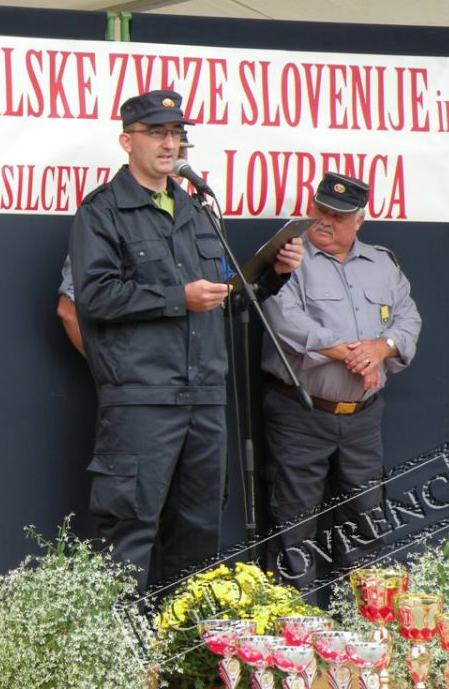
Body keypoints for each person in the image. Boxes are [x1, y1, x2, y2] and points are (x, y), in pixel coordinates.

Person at [69, 89, 302, 590]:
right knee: (129, 533)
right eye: (157, 133)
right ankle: (125, 662)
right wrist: (179, 297)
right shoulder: (103, 210)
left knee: (198, 533)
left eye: (176, 134)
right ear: (126, 140)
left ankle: (182, 658)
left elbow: (226, 299)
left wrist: (272, 276)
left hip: (205, 400)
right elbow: (96, 297)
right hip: (142, 399)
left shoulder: (197, 210)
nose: (169, 143)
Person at [260, 171, 421, 589]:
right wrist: (355, 353)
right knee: (294, 527)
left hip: (363, 417)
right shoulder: (289, 259)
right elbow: (282, 319)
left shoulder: (383, 263)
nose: (324, 221)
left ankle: (359, 628)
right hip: (301, 412)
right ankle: (298, 634)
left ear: (360, 219)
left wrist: (381, 348)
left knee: (367, 520)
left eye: (338, 215)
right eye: (320, 210)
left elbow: (409, 318)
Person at [57, 129, 196, 358]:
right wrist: (113, 372)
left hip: (195, 380)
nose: (172, 160)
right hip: (137, 383)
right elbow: (69, 309)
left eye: (180, 153)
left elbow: (226, 293)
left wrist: (271, 274)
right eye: (163, 149)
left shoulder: (200, 215)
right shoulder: (107, 214)